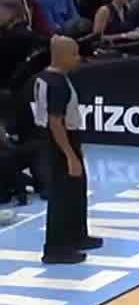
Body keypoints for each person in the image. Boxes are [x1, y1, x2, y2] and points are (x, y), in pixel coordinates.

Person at [31, 35, 96, 265]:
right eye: (75, 54)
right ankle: (56, 248)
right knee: (62, 196)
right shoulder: (57, 84)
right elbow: (55, 122)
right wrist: (69, 155)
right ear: (63, 56)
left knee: (77, 189)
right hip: (59, 142)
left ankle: (77, 236)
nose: (79, 58)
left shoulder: (48, 78)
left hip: (63, 139)